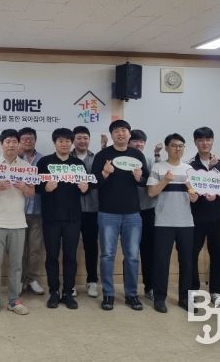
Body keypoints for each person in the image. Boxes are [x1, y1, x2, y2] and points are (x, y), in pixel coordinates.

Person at [91, 119, 148, 311]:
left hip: (133, 214)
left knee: (132, 256)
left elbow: (145, 180)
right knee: (107, 255)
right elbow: (93, 183)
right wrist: (105, 173)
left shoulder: (137, 154)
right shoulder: (102, 155)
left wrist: (139, 178)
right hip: (107, 213)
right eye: (116, 131)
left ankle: (132, 294)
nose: (120, 133)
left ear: (129, 134)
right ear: (112, 135)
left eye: (124, 130)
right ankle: (108, 294)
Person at [0, 129, 36, 317]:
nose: (11, 145)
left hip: (18, 223)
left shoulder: (26, 166)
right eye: (7, 141)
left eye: (14, 141)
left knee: (16, 265)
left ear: (18, 144)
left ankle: (14, 300)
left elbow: (32, 193)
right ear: (1, 144)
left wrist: (24, 187)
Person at [36, 128, 88, 309]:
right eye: (60, 141)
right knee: (51, 256)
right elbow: (35, 187)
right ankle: (53, 292)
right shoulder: (44, 162)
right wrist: (45, 188)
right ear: (54, 143)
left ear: (71, 143)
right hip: (51, 218)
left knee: (70, 257)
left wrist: (85, 188)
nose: (64, 144)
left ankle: (68, 292)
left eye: (67, 141)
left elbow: (85, 187)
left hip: (73, 218)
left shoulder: (78, 164)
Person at [147, 133, 199, 314]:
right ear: (167, 148)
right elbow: (151, 193)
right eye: (174, 145)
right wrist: (165, 180)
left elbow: (194, 194)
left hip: (186, 222)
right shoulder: (158, 167)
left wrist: (194, 196)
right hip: (163, 222)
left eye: (181, 146)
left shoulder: (189, 169)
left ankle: (185, 298)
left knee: (187, 262)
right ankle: (159, 298)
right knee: (161, 261)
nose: (178, 149)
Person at [188, 127, 220, 306]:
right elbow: (188, 187)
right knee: (191, 254)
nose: (205, 143)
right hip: (195, 218)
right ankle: (194, 290)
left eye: (208, 139)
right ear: (195, 142)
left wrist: (216, 191)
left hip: (217, 217)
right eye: (201, 140)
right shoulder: (189, 164)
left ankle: (215, 291)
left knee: (217, 256)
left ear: (212, 141)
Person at [128, 129, 162, 301]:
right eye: (135, 140)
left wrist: (157, 155)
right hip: (128, 212)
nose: (139, 144)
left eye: (142, 141)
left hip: (148, 211)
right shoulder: (123, 161)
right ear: (128, 142)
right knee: (130, 253)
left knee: (149, 251)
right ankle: (130, 290)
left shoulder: (149, 160)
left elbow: (160, 174)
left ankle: (150, 287)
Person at [70, 126, 99, 298]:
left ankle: (92, 281)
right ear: (73, 140)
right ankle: (70, 283)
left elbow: (101, 180)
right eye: (79, 138)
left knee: (91, 246)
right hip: (72, 209)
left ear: (89, 139)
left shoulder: (96, 158)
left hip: (93, 209)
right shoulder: (66, 159)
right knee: (70, 247)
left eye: (85, 138)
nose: (82, 141)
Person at [18, 127, 45, 295]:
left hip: (37, 210)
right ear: (19, 141)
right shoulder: (13, 160)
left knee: (35, 249)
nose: (28, 141)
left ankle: (32, 279)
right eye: (24, 139)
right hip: (17, 212)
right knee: (19, 249)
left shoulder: (44, 160)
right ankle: (20, 280)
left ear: (35, 140)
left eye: (31, 138)